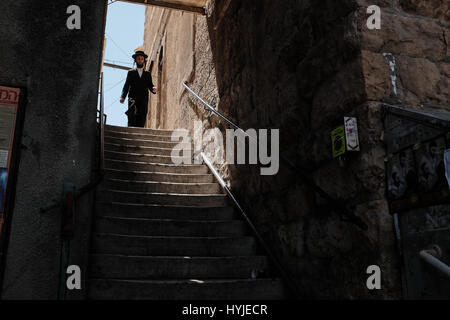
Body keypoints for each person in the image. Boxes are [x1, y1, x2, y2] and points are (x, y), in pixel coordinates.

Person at [120, 50, 157, 127]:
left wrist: (153, 89)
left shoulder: (147, 74)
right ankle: (130, 129)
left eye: (142, 59)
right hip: (132, 97)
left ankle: (140, 129)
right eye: (138, 58)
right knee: (132, 114)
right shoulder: (131, 72)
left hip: (143, 98)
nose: (140, 60)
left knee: (142, 114)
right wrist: (123, 97)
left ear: (144, 60)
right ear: (136, 60)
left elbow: (150, 85)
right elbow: (126, 85)